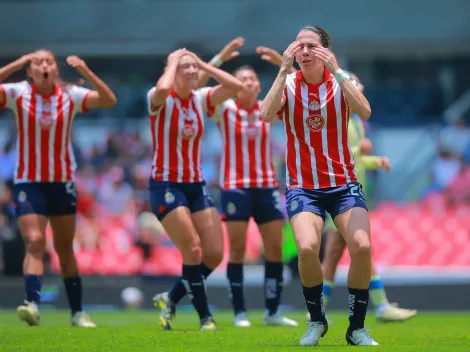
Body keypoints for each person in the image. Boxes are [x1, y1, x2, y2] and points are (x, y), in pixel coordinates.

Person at [257, 48, 418, 322]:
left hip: (350, 190)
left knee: (345, 251)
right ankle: (371, 306)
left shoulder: (354, 119)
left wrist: (373, 160)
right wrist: (281, 65)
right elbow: (339, 152)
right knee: (337, 251)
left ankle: (336, 309)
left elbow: (352, 155)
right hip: (329, 188)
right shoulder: (334, 113)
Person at [260, 26, 378, 346]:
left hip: (343, 184)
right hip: (303, 186)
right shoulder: (288, 83)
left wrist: (338, 70)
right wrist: (283, 68)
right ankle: (316, 320)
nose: (306, 52)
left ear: (326, 50)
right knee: (308, 248)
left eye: (313, 46)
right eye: (300, 46)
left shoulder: (342, 82)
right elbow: (265, 114)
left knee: (363, 248)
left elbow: (365, 111)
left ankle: (356, 327)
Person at [0, 49, 117, 327]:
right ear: (30, 71)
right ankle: (32, 304)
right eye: (37, 62)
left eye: (48, 62)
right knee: (35, 241)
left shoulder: (71, 96)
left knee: (65, 249)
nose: (42, 66)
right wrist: (17, 63)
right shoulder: (18, 93)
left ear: (55, 69)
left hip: (62, 183)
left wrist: (86, 72)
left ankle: (77, 311)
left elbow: (109, 100)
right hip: (29, 181)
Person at [196, 38, 298, 328]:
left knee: (275, 250)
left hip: (266, 187)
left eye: (252, 79)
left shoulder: (270, 108)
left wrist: (282, 62)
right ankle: (240, 313)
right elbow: (198, 89)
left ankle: (273, 312)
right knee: (238, 251)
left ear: (258, 85)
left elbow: (297, 88)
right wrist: (218, 59)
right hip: (235, 186)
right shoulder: (225, 108)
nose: (248, 83)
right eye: (242, 79)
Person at [149, 48, 243, 331]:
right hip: (166, 184)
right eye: (184, 68)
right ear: (173, 69)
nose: (191, 72)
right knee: (191, 248)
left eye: (194, 68)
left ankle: (171, 297)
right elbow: (164, 87)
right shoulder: (159, 97)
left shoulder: (201, 99)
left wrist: (203, 63)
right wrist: (174, 60)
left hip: (195, 183)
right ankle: (206, 318)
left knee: (213, 254)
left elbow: (235, 86)